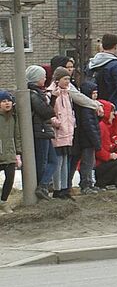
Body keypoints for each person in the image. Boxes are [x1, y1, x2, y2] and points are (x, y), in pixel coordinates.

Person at [87, 33, 117, 127]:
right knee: (115, 138)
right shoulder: (116, 65)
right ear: (116, 46)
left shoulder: (92, 64)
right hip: (114, 110)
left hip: (97, 108)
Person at [26, 65, 56, 200]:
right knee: (44, 161)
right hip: (40, 131)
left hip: (43, 130)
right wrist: (52, 100)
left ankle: (43, 185)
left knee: (52, 161)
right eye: (43, 76)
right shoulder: (34, 94)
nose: (45, 78)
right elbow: (46, 112)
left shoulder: (37, 93)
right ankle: (41, 186)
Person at [49, 67, 77, 199]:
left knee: (66, 161)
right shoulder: (52, 94)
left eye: (68, 79)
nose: (67, 81)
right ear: (57, 79)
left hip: (68, 132)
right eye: (65, 79)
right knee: (58, 161)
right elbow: (49, 112)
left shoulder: (67, 94)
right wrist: (57, 123)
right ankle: (57, 188)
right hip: (58, 133)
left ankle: (65, 188)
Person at [70, 77, 102, 194]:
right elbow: (90, 126)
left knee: (89, 163)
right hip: (87, 141)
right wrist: (96, 141)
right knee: (87, 163)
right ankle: (86, 184)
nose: (95, 96)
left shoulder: (90, 107)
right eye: (93, 93)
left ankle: (88, 183)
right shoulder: (86, 108)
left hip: (88, 140)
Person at [0, 90, 18, 211]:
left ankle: (3, 201)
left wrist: (19, 153)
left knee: (10, 177)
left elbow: (18, 136)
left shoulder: (14, 117)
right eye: (4, 101)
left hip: (10, 152)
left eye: (9, 101)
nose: (7, 103)